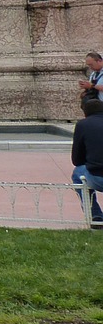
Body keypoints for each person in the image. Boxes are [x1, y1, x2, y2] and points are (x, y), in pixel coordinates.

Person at [70, 98, 103, 228]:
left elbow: (76, 160)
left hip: (97, 176)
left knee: (78, 173)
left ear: (85, 113)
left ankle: (95, 215)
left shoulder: (83, 125)